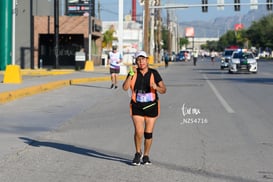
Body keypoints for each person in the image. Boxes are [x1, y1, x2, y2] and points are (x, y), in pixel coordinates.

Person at [122, 51, 167, 166]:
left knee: (148, 133)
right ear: (136, 62)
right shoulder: (133, 72)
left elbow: (164, 90)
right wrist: (130, 75)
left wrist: (156, 87)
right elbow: (125, 88)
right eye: (138, 60)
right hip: (137, 105)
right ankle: (138, 153)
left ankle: (146, 155)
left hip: (152, 106)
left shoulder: (154, 73)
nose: (141, 62)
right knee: (138, 131)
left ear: (147, 60)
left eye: (143, 59)